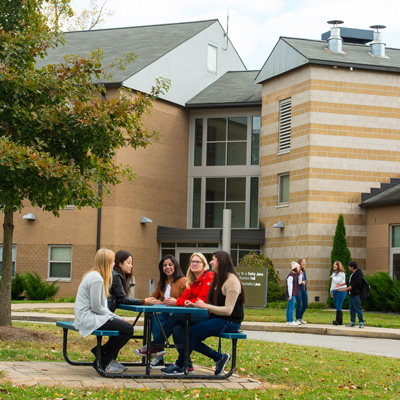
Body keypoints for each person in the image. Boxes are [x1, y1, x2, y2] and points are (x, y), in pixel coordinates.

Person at [161, 250, 245, 376]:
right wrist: (194, 303)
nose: (210, 262)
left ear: (220, 262)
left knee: (192, 333)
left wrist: (205, 306)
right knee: (183, 331)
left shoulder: (232, 281)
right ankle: (219, 357)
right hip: (215, 317)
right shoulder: (218, 278)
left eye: (213, 259)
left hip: (230, 321)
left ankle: (180, 364)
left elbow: (228, 310)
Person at [134, 252, 214, 367]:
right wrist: (157, 300)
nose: (194, 264)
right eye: (192, 262)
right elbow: (183, 299)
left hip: (201, 315)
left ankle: (155, 346)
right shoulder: (191, 280)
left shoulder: (203, 277)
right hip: (182, 314)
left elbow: (199, 301)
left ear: (204, 264)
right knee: (172, 327)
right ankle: (186, 364)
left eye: (198, 262)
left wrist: (179, 302)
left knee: (174, 317)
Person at [74, 248, 133, 374]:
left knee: (125, 328)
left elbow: (100, 307)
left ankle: (101, 353)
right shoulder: (96, 279)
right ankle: (103, 359)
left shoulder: (96, 276)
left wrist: (113, 316)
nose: (114, 264)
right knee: (128, 329)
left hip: (91, 316)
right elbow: (96, 307)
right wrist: (115, 317)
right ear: (107, 263)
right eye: (112, 261)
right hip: (88, 317)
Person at [107, 250, 157, 370]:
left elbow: (120, 299)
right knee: (125, 329)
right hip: (102, 316)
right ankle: (107, 359)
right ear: (120, 263)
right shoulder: (116, 275)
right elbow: (123, 299)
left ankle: (110, 359)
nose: (131, 266)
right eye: (128, 263)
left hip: (105, 315)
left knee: (122, 328)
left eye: (131, 263)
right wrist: (144, 301)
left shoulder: (116, 275)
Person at [147, 254, 187, 368]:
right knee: (154, 318)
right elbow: (152, 297)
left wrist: (176, 301)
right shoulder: (162, 282)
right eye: (165, 265)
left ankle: (157, 347)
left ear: (175, 266)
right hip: (166, 315)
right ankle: (159, 356)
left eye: (170, 264)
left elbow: (188, 299)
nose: (167, 267)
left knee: (176, 330)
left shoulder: (183, 281)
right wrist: (156, 301)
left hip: (179, 315)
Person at [339, 261, 365, 328]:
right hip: (351, 294)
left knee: (357, 308)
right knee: (351, 309)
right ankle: (352, 322)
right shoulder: (353, 273)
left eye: (349, 267)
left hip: (356, 294)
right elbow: (349, 281)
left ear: (352, 267)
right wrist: (342, 284)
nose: (349, 268)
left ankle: (361, 322)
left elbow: (353, 285)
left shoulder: (358, 274)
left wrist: (345, 290)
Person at [330, 260, 347, 325]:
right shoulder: (334, 273)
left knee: (338, 305)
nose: (334, 265)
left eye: (336, 264)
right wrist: (331, 291)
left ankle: (337, 320)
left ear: (338, 266)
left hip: (341, 290)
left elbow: (338, 281)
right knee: (337, 305)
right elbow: (333, 283)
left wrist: (333, 277)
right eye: (334, 264)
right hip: (335, 290)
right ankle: (340, 321)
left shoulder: (342, 273)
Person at [285, 261, 301, 326]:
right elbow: (289, 286)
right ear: (295, 268)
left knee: (290, 307)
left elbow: (299, 282)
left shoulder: (295, 275)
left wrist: (301, 275)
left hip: (292, 293)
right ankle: (291, 321)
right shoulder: (290, 276)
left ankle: (288, 321)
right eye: (298, 267)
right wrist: (290, 295)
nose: (299, 269)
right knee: (291, 307)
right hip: (290, 294)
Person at [295, 258, 308, 325]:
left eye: (305, 262)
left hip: (304, 289)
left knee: (305, 304)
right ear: (300, 263)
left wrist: (304, 285)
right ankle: (297, 319)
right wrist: (302, 282)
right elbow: (297, 281)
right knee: (299, 304)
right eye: (303, 262)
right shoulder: (297, 271)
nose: (304, 263)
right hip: (298, 289)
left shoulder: (304, 271)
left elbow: (304, 280)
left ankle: (300, 318)